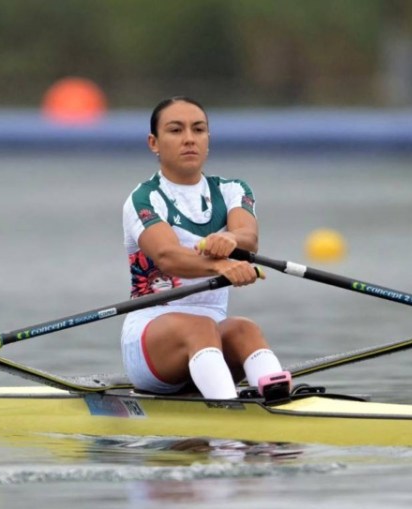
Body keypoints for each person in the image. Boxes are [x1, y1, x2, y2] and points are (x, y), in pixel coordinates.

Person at [120, 96, 288, 400]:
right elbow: (167, 256)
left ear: (208, 139)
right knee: (199, 327)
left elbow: (248, 236)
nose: (189, 139)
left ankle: (280, 401)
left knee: (244, 329)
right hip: (151, 343)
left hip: (211, 335)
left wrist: (232, 241)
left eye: (198, 130)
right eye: (175, 130)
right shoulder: (143, 199)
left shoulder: (232, 190)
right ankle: (227, 410)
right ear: (153, 143)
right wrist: (219, 265)